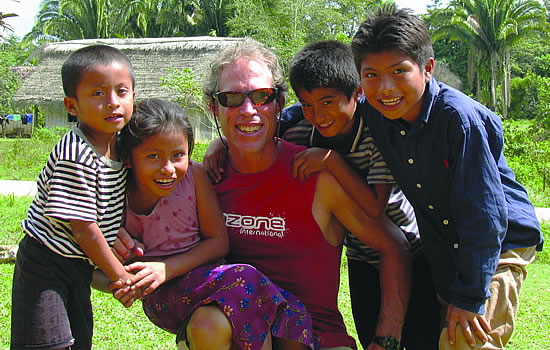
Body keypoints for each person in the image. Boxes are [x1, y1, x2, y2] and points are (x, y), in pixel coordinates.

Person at [350, 4, 544, 349]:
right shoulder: (374, 113)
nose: (386, 87)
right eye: (372, 75)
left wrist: (470, 297)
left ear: (427, 69)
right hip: (445, 246)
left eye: (399, 71)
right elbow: (325, 108)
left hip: (498, 245)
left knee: (467, 341)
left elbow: (485, 216)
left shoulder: (459, 121)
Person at [202, 38, 410, 350]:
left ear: (279, 104)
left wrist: (386, 339)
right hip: (236, 333)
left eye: (262, 96)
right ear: (213, 108)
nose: (248, 110)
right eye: (231, 98)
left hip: (316, 336)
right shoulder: (203, 180)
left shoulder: (312, 172)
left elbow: (394, 245)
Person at [105, 98, 317, 350]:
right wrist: (128, 277)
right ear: (128, 159)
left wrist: (166, 267)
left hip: (209, 282)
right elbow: (87, 262)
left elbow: (218, 243)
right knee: (249, 281)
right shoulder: (116, 193)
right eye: (153, 156)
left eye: (177, 156)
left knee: (284, 313)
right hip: (162, 296)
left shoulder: (193, 176)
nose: (168, 169)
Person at [283, 40, 440, 350]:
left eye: (328, 102)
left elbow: (373, 207)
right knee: (373, 339)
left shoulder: (378, 134)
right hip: (361, 258)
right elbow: (268, 132)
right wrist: (220, 146)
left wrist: (331, 161)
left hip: (415, 252)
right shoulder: (301, 134)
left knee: (422, 337)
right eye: (307, 104)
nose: (318, 114)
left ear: (356, 92)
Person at [11, 44, 136, 349]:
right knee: (46, 342)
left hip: (78, 266)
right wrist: (120, 276)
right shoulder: (76, 154)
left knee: (78, 340)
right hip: (44, 265)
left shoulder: (122, 147)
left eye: (121, 91)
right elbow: (83, 227)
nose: (112, 103)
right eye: (97, 94)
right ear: (71, 106)